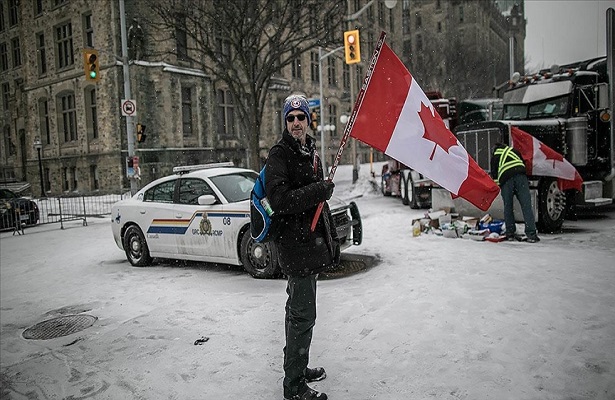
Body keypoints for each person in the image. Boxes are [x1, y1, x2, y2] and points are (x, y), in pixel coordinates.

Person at [265, 94, 339, 400]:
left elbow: (316, 203)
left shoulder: (310, 152)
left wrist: (329, 239)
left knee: (297, 311)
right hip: (295, 247)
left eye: (301, 117)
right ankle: (293, 386)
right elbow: (279, 200)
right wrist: (319, 190)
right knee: (302, 315)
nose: (296, 123)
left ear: (308, 120)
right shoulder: (279, 154)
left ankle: (299, 365)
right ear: (285, 122)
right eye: (291, 118)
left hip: (310, 245)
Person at [490, 143, 540, 243]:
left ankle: (510, 233)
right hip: (521, 176)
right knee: (526, 206)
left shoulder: (495, 156)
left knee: (508, 207)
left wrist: (498, 186)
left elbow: (495, 175)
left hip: (506, 179)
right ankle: (531, 234)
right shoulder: (513, 151)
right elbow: (522, 163)